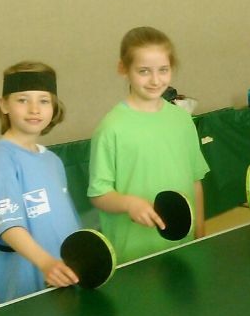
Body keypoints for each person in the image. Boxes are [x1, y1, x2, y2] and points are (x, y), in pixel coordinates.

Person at [88, 26, 210, 263]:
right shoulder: (111, 128)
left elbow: (195, 182)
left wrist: (200, 232)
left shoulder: (182, 119)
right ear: (123, 68)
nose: (155, 80)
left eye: (163, 70)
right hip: (132, 255)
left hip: (182, 247)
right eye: (144, 71)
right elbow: (98, 194)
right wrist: (128, 203)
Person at [0, 62, 81, 303]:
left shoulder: (52, 161)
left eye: (44, 100)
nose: (34, 109)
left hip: (64, 277)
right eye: (23, 100)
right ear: (4, 105)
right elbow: (8, 225)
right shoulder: (1, 158)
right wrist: (46, 263)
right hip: (28, 288)